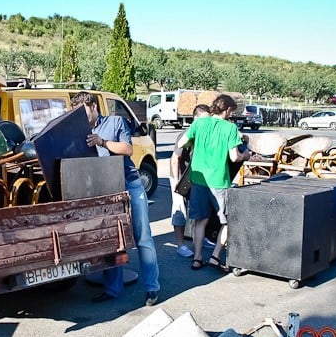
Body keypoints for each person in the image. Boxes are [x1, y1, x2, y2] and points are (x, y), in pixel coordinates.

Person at [71, 92, 160, 306]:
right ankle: (112, 290)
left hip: (130, 184)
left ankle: (152, 289)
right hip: (105, 189)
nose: (81, 119)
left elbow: (127, 149)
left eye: (82, 112)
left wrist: (102, 141)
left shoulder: (115, 121)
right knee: (112, 241)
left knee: (142, 237)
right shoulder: (81, 130)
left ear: (93, 106)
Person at [177, 94, 251, 271]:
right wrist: (246, 155)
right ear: (227, 110)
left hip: (199, 180)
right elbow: (234, 157)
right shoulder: (230, 128)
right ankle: (216, 256)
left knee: (200, 221)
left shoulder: (199, 123)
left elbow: (182, 142)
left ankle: (197, 258)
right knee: (226, 222)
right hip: (219, 181)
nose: (231, 115)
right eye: (231, 111)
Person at [169, 104, 211, 257]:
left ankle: (200, 238)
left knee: (198, 208)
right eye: (204, 120)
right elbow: (175, 159)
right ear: (195, 119)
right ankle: (180, 245)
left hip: (196, 176)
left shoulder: (205, 135)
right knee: (179, 209)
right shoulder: (185, 135)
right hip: (180, 175)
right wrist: (176, 182)